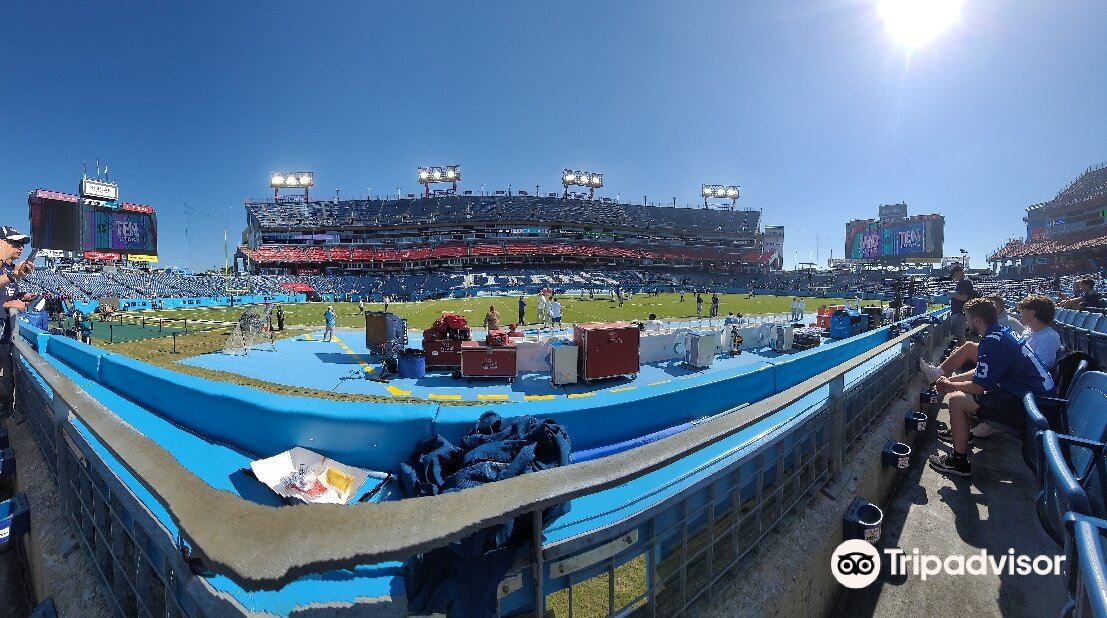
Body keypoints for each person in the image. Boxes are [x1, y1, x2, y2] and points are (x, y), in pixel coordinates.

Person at [927, 298, 1055, 477]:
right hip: (1034, 398)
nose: (966, 321)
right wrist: (952, 381)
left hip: (1032, 407)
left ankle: (959, 462)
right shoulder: (1001, 333)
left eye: (967, 318)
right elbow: (982, 373)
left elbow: (978, 387)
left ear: (977, 321)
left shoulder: (992, 342)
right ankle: (962, 433)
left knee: (956, 400)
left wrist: (948, 385)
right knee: (959, 391)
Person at [0, 227, 33, 417]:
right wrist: (7, 304)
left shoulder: (9, 269)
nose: (20, 248)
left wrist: (21, 296)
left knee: (5, 381)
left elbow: (6, 293)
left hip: (4, 334)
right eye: (15, 243)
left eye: (21, 244)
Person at [947, 264, 974, 346]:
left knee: (960, 337)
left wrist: (950, 294)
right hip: (959, 314)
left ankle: (964, 355)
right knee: (959, 337)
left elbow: (964, 297)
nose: (954, 278)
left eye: (954, 275)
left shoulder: (965, 282)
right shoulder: (962, 282)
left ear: (959, 273)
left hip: (960, 314)